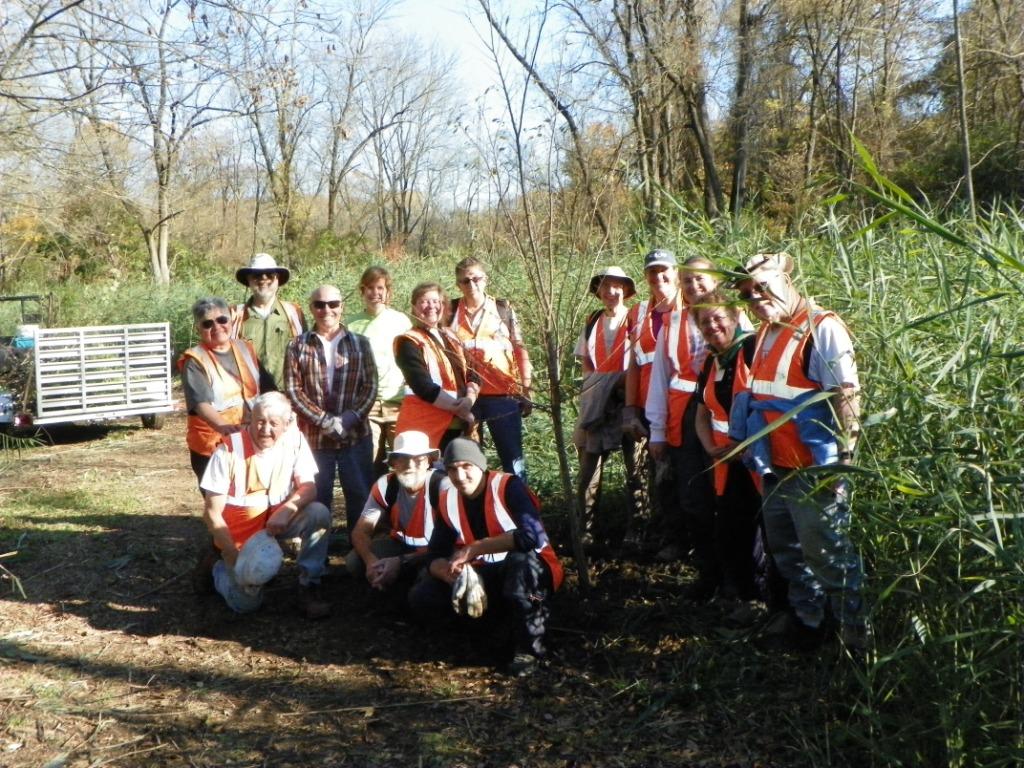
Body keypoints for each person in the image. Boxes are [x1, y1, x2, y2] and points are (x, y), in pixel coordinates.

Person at [733, 252, 866, 651]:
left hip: (814, 473)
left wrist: (844, 465)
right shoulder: (764, 333)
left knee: (830, 558)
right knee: (788, 555)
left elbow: (846, 397)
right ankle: (809, 625)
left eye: (762, 286)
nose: (757, 298)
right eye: (748, 293)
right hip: (776, 470)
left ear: (785, 279)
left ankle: (856, 643)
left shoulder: (821, 328)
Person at [408, 438, 563, 676]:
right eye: (452, 469)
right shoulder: (448, 497)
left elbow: (530, 537)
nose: (459, 476)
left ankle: (530, 649)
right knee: (423, 594)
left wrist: (475, 548)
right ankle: (480, 638)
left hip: (533, 571)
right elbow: (434, 555)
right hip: (483, 575)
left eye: (466, 466)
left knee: (520, 569)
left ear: (480, 465)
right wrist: (448, 573)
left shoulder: (508, 486)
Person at [195, 392, 332, 619]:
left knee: (319, 513)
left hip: (275, 525)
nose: (265, 429)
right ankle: (215, 567)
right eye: (259, 421)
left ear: (286, 425)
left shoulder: (295, 440)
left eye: (273, 423)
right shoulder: (228, 450)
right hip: (239, 539)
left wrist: (287, 510)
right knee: (246, 605)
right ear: (250, 418)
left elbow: (309, 488)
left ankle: (309, 585)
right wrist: (231, 554)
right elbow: (212, 514)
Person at [693, 293, 782, 605]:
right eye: (705, 322)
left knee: (767, 534)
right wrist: (707, 445)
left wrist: (744, 447)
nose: (712, 325)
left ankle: (769, 602)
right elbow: (702, 409)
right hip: (725, 462)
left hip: (758, 460)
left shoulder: (751, 349)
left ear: (734, 318)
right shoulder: (711, 360)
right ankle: (742, 597)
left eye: (719, 318)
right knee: (732, 530)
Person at [645, 256, 722, 597]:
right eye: (688, 281)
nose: (694, 287)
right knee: (693, 498)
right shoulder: (673, 322)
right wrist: (657, 430)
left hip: (722, 420)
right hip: (683, 420)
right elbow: (660, 379)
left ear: (714, 280)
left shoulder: (732, 317)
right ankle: (707, 574)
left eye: (700, 280)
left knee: (728, 499)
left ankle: (737, 579)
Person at [285, 285, 376, 535]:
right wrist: (325, 421)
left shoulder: (361, 344)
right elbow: (293, 391)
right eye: (320, 305)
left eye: (333, 304)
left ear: (342, 306)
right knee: (316, 498)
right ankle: (316, 561)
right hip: (314, 438)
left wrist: (348, 419)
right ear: (311, 308)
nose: (327, 310)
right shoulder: (296, 346)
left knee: (359, 494)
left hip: (356, 436)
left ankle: (358, 552)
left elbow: (370, 386)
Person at [573, 266, 644, 547]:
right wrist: (598, 388)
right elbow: (585, 363)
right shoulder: (592, 320)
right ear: (598, 291)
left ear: (626, 290)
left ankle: (637, 528)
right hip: (597, 403)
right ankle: (584, 529)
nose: (612, 292)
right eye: (606, 286)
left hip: (628, 402)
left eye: (618, 286)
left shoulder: (636, 318)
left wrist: (624, 390)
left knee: (635, 467)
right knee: (589, 468)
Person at [449, 257, 533, 481]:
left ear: (485, 279)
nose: (472, 285)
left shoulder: (503, 309)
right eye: (465, 281)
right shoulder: (450, 312)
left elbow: (519, 348)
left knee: (513, 460)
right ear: (458, 285)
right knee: (468, 463)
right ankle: (476, 512)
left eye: (476, 279)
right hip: (465, 398)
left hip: (502, 396)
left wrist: (526, 389)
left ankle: (519, 510)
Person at [622, 249, 684, 550]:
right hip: (650, 409)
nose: (658, 277)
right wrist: (630, 410)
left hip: (686, 407)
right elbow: (633, 363)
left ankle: (687, 538)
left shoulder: (692, 306)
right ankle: (665, 534)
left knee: (685, 474)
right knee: (657, 474)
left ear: (676, 272)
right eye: (652, 272)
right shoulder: (638, 312)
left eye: (664, 271)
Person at [346, 431, 446, 600]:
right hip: (402, 546)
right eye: (403, 458)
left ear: (429, 461)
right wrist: (371, 562)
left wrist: (401, 561)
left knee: (424, 590)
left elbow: (453, 544)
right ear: (393, 463)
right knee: (355, 561)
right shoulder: (386, 485)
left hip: (437, 552)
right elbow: (360, 532)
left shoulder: (443, 487)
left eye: (418, 459)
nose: (410, 465)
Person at [179, 297, 260, 486]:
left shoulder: (245, 348)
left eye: (222, 320)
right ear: (198, 329)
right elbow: (200, 404)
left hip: (248, 435)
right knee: (218, 499)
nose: (217, 327)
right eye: (208, 323)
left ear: (231, 320)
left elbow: (266, 386)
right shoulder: (194, 360)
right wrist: (223, 427)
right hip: (213, 444)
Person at [394, 282, 479, 451]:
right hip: (426, 424)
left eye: (436, 301)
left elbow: (474, 373)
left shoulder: (451, 335)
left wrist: (469, 399)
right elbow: (421, 385)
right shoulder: (408, 341)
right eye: (424, 302)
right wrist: (461, 410)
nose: (431, 306)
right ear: (414, 307)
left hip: (460, 423)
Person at [346, 266, 413, 478]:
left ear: (388, 291)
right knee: (370, 461)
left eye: (380, 288)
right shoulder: (351, 324)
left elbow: (412, 358)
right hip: (368, 403)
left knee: (403, 460)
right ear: (362, 291)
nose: (376, 293)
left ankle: (404, 508)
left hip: (399, 400)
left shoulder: (401, 321)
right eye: (370, 288)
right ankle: (373, 507)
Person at [231, 253, 306, 392]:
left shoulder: (294, 312)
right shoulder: (234, 315)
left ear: (277, 279)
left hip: (289, 397)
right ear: (248, 280)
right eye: (257, 275)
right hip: (248, 398)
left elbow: (307, 355)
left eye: (269, 274)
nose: (263, 279)